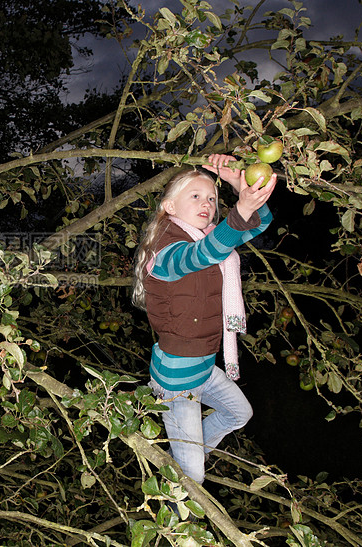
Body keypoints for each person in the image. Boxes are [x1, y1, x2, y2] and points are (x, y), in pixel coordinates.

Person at [130, 154, 277, 485]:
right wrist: (238, 211)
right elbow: (202, 256)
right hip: (177, 383)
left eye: (212, 197)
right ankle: (184, 479)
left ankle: (190, 452)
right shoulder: (164, 251)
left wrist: (245, 187)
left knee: (239, 413)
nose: (208, 204)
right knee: (193, 479)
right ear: (169, 206)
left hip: (204, 367)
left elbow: (259, 223)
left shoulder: (208, 236)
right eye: (195, 196)